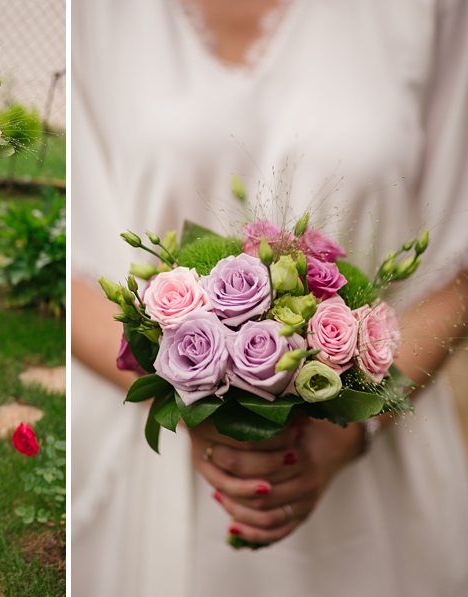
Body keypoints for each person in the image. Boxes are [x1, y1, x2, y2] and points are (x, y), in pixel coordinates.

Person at [71, 0, 468, 595]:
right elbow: (78, 263)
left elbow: (456, 265)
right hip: (157, 451)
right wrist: (196, 401)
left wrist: (350, 428)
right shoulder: (96, 17)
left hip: (376, 453)